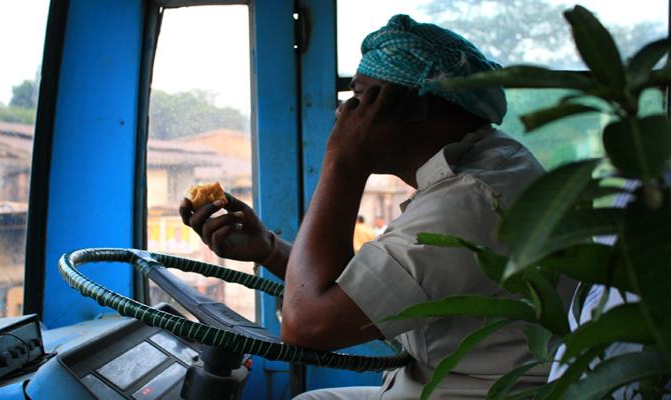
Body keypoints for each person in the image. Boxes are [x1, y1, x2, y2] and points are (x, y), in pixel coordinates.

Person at [180, 14, 573, 399]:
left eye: (360, 99)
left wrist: (344, 162)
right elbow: (362, 292)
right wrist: (267, 248)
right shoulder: (482, 166)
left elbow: (308, 325)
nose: (342, 114)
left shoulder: (469, 199)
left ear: (418, 108)